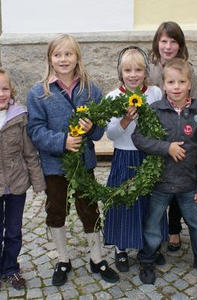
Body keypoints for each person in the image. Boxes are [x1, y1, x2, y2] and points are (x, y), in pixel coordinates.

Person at [26, 34, 119, 286]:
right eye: (58, 54)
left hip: (84, 165)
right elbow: (35, 130)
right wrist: (62, 141)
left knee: (89, 209)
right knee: (56, 210)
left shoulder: (90, 89)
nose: (63, 59)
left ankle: (97, 258)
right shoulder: (39, 92)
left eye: (69, 54)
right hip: (55, 167)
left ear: (77, 57)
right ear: (50, 59)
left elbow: (100, 130)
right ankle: (63, 259)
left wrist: (91, 128)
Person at [132, 58, 197, 284]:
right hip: (161, 183)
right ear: (163, 85)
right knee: (153, 224)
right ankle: (147, 260)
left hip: (188, 184)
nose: (176, 87)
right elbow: (138, 138)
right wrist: (166, 148)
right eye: (171, 82)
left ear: (189, 84)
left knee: (196, 224)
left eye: (181, 82)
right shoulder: (155, 110)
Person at [104, 46, 168, 272]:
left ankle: (149, 246)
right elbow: (111, 134)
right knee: (124, 201)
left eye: (138, 70)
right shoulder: (113, 97)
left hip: (148, 155)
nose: (133, 74)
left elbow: (162, 123)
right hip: (124, 155)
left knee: (150, 203)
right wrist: (125, 120)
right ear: (120, 73)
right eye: (128, 70)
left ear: (145, 72)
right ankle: (121, 248)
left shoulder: (154, 94)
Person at [149, 21, 197, 252]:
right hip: (155, 132)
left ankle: (174, 229)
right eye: (164, 41)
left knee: (180, 179)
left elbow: (194, 100)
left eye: (173, 41)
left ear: (180, 45)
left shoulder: (188, 69)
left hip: (181, 130)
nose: (168, 46)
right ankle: (154, 229)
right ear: (157, 43)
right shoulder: (149, 68)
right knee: (158, 186)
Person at [0, 68, 46, 290]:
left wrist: (37, 182)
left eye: (4, 88)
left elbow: (29, 152)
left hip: (16, 185)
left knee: (14, 230)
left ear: (11, 90)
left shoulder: (19, 117)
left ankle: (11, 268)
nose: (1, 93)